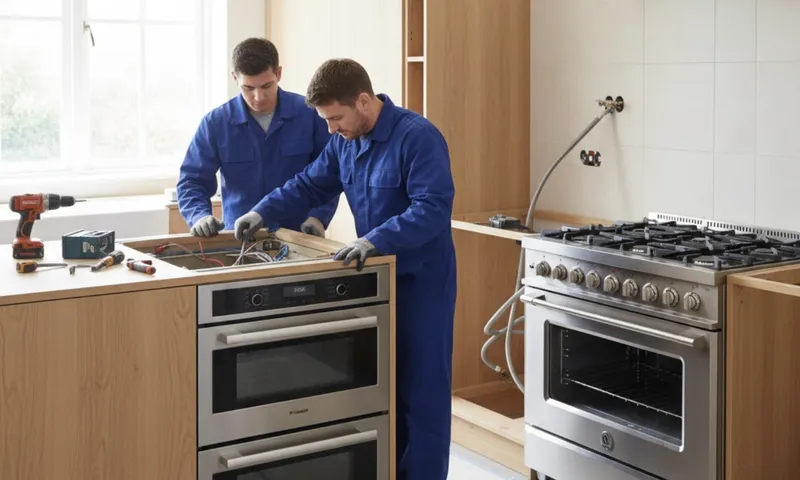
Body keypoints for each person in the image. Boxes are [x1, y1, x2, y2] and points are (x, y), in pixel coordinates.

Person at [233, 59, 457, 480]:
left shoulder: (418, 137)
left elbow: (432, 208)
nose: (331, 128)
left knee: (422, 392)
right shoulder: (343, 142)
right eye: (326, 120)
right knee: (382, 387)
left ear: (363, 101)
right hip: (375, 279)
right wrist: (262, 212)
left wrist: (376, 240)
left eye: (336, 118)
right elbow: (308, 183)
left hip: (422, 283)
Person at [176, 37, 338, 238]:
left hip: (300, 235)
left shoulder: (310, 115)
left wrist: (319, 217)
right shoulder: (215, 124)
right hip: (240, 238)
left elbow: (329, 174)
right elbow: (192, 181)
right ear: (235, 78)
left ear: (278, 73)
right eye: (249, 88)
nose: (258, 97)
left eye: (266, 86)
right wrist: (199, 216)